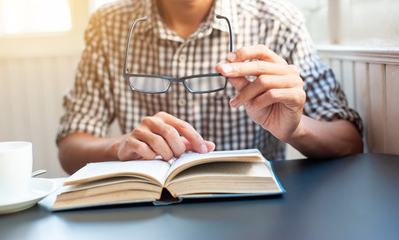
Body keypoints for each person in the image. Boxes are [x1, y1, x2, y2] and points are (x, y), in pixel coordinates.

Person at [57, 0, 363, 175]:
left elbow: (349, 141)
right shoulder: (107, 25)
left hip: (254, 217)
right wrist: (120, 146)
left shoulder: (278, 22)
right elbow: (70, 149)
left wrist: (295, 130)